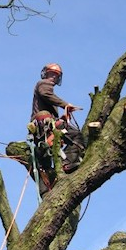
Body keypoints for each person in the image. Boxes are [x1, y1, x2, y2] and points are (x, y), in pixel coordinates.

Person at [29, 63, 85, 191]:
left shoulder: (43, 86)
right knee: (76, 135)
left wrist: (64, 116)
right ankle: (68, 163)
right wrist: (65, 105)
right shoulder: (43, 84)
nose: (53, 77)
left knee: (45, 162)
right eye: (52, 73)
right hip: (45, 124)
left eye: (56, 75)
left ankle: (50, 180)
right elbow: (46, 94)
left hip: (42, 129)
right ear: (46, 73)